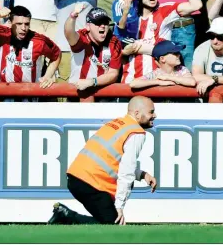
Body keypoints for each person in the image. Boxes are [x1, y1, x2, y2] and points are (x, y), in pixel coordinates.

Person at [49, 96, 159, 225]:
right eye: (151, 112)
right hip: (92, 183)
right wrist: (119, 206)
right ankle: (65, 216)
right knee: (113, 225)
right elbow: (126, 173)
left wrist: (142, 174)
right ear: (137, 114)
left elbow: (112, 162)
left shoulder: (117, 123)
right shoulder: (136, 133)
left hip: (76, 178)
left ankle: (65, 215)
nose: (155, 115)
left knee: (108, 222)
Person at [129, 40, 196, 89]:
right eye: (174, 53)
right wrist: (158, 82)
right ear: (162, 59)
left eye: (178, 53)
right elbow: (133, 84)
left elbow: (192, 82)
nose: (178, 55)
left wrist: (168, 77)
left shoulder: (182, 70)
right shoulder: (156, 74)